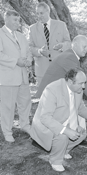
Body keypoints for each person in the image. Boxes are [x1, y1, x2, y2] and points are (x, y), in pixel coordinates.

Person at [33, 35, 87, 147]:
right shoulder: (69, 57)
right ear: (75, 45)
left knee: (77, 108)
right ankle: (44, 140)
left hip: (61, 91)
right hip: (51, 93)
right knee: (53, 117)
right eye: (84, 46)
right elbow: (81, 81)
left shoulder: (72, 56)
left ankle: (76, 137)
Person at [30, 69, 87, 172]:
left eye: (84, 83)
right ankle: (55, 160)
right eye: (81, 83)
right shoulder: (52, 90)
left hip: (64, 122)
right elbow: (45, 118)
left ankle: (62, 151)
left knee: (82, 134)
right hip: (46, 126)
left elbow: (81, 109)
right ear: (71, 82)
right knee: (62, 136)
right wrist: (66, 130)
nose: (84, 87)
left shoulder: (77, 90)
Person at [0, 10, 32, 142]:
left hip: (23, 75)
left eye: (18, 20)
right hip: (8, 76)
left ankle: (25, 125)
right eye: (14, 20)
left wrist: (29, 60)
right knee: (8, 106)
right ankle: (7, 131)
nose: (17, 23)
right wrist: (15, 61)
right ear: (6, 19)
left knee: (25, 103)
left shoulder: (21, 35)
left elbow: (28, 51)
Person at [28, 2, 71, 86]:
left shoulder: (61, 25)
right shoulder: (32, 28)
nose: (39, 16)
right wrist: (39, 51)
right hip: (41, 70)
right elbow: (29, 47)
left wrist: (62, 46)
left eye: (41, 13)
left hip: (59, 68)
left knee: (60, 96)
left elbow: (68, 43)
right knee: (43, 97)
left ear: (48, 12)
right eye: (37, 13)